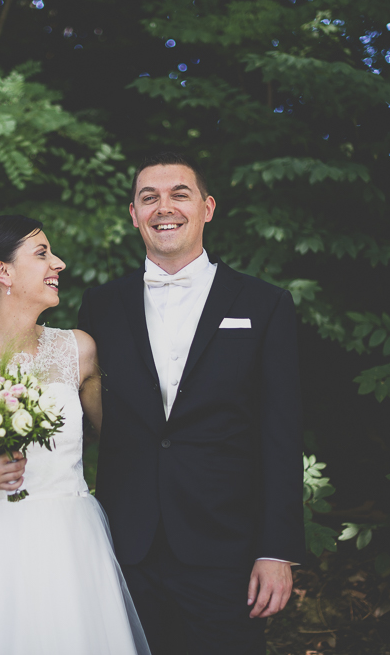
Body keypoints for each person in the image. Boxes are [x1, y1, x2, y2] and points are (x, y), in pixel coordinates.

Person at [77, 152, 304, 655]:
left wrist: (277, 550)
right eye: (148, 197)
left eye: (179, 193)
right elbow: (76, 419)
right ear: (133, 214)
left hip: (227, 547)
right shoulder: (100, 306)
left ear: (207, 207)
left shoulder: (264, 305)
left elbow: (281, 434)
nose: (165, 207)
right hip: (126, 546)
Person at [0, 214, 151, 655]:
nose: (58, 263)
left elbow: (123, 437)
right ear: (3, 273)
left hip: (73, 542)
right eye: (42, 254)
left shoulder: (79, 349)